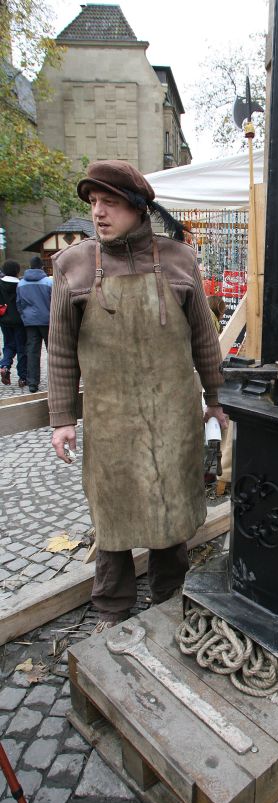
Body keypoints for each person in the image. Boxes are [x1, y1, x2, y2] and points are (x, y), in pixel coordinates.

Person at [48, 160, 227, 632]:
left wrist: (215, 398)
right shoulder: (72, 265)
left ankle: (170, 593)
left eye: (110, 202)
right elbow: (61, 349)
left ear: (137, 207)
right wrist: (62, 418)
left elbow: (204, 338)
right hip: (110, 418)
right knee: (113, 510)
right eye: (93, 202)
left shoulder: (179, 260)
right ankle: (112, 604)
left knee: (171, 502)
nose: (98, 213)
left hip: (174, 414)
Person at [16, 256, 53, 393]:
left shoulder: (21, 284)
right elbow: (55, 302)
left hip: (30, 322)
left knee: (32, 352)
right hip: (48, 321)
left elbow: (19, 304)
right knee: (53, 351)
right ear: (42, 267)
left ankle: (32, 383)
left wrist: (25, 317)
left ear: (29, 266)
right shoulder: (49, 282)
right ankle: (56, 380)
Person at [0, 260, 27, 388]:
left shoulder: (0, 284)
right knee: (22, 348)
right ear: (17, 271)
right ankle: (23, 377)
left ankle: (5, 366)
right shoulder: (21, 285)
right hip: (20, 321)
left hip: (4, 319)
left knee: (8, 345)